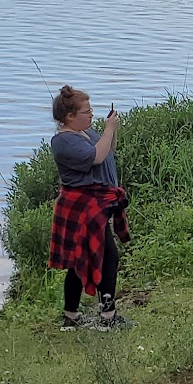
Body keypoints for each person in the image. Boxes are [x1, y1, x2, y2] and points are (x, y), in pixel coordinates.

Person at [47, 85, 131, 329]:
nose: (91, 114)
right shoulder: (63, 142)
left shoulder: (86, 133)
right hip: (82, 208)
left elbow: (107, 150)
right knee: (108, 258)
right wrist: (109, 129)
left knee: (80, 260)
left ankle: (71, 316)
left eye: (91, 110)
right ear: (69, 116)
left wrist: (111, 131)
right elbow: (95, 157)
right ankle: (107, 318)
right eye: (86, 111)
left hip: (95, 205)